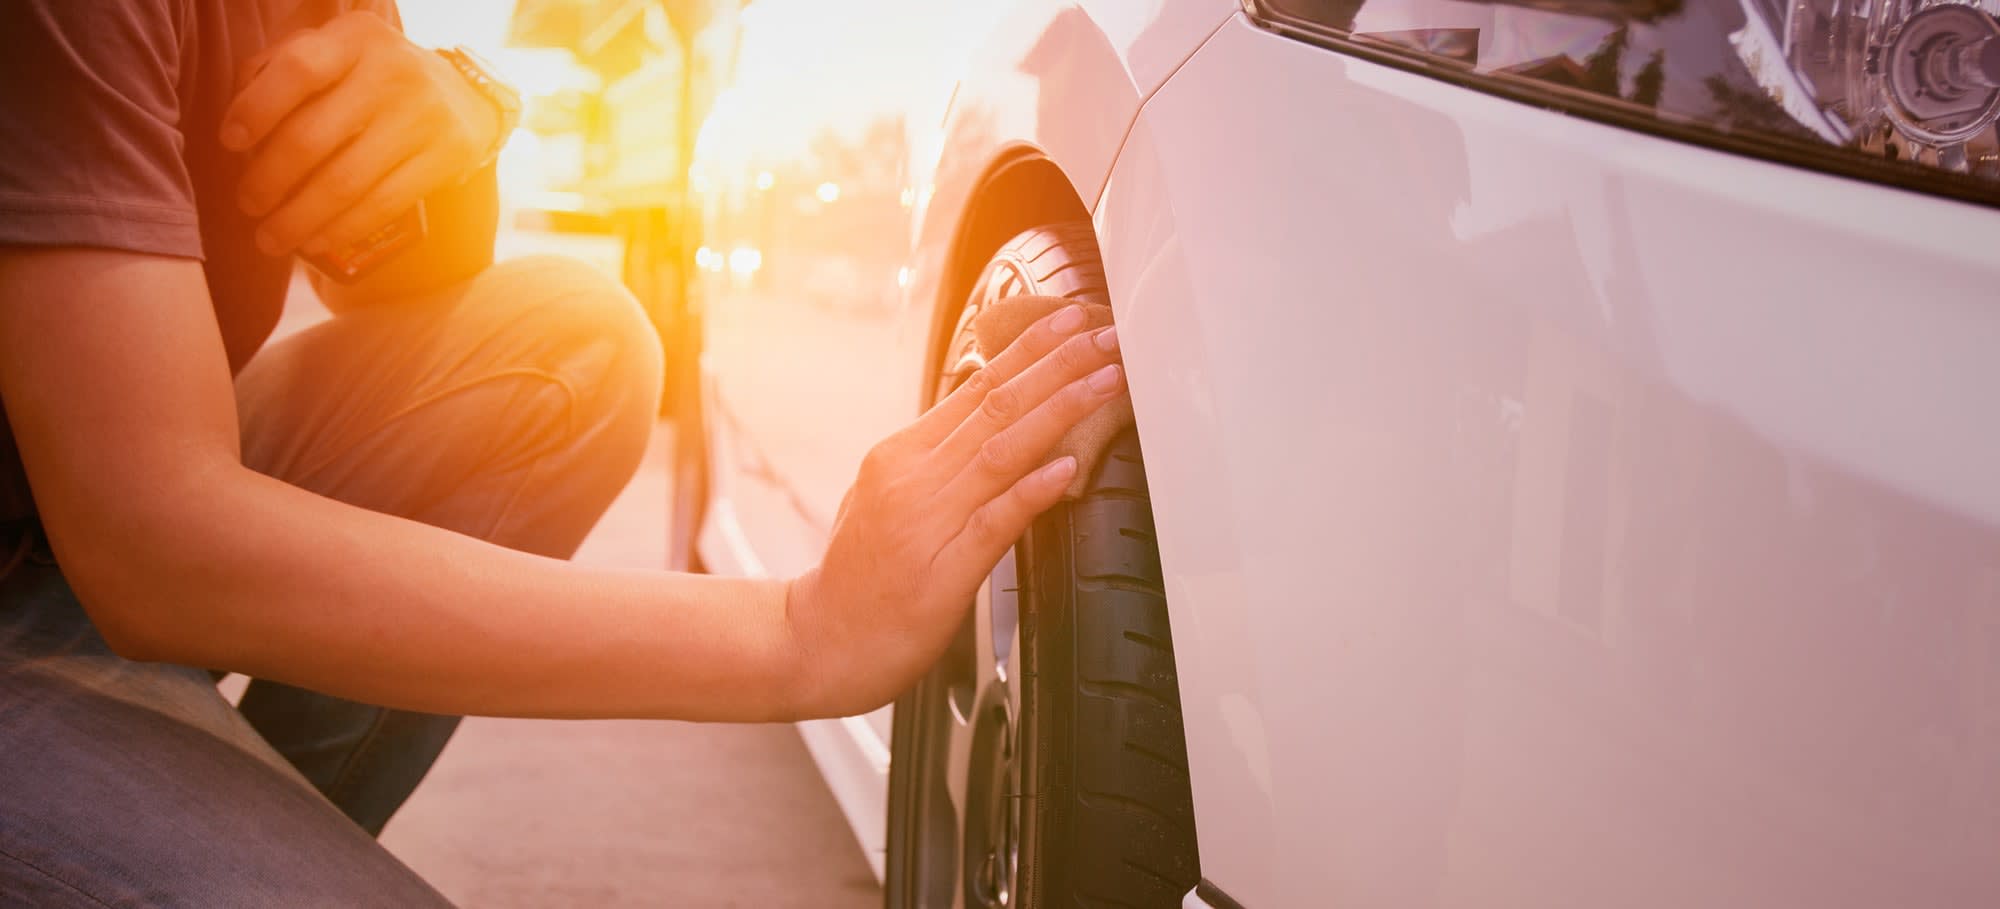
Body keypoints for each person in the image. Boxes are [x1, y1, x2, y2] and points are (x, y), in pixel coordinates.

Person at [0, 1, 1125, 904]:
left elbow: (390, 275)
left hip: (55, 529)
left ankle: (204, 819)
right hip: (67, 571)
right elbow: (154, 547)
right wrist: (795, 633)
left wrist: (462, 107)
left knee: (576, 346)